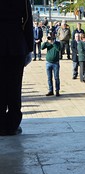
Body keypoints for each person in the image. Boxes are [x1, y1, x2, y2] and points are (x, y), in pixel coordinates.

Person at [0, 0, 33, 136]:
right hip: (16, 44)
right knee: (14, 86)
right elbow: (27, 20)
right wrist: (29, 47)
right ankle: (12, 123)